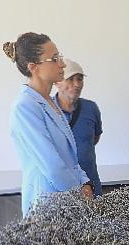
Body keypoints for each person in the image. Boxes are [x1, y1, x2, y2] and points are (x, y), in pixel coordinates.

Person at [3, 32, 92, 216]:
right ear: (33, 67)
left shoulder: (50, 102)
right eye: (55, 59)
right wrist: (80, 196)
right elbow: (52, 165)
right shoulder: (25, 107)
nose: (62, 63)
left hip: (69, 198)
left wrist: (85, 183)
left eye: (60, 56)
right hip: (48, 203)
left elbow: (70, 158)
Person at [54, 58, 103, 197]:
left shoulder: (91, 108)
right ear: (57, 82)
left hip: (91, 185)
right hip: (61, 189)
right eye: (70, 79)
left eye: (80, 79)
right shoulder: (47, 111)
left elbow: (93, 139)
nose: (76, 84)